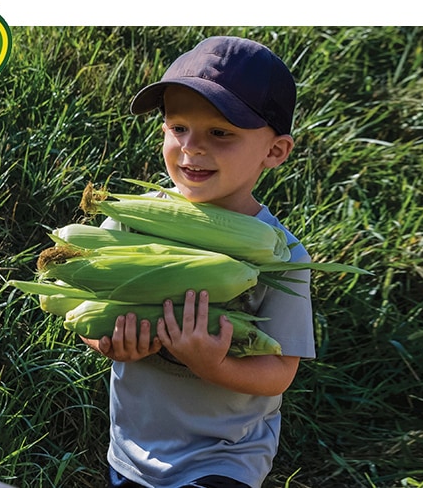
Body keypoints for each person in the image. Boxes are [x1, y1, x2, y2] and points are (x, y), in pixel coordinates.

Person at [79, 36, 314, 488]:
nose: (191, 148)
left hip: (225, 458)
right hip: (133, 450)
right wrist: (108, 344)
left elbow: (280, 372)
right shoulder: (134, 221)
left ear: (274, 151)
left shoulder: (281, 255)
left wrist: (214, 367)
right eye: (177, 127)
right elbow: (89, 308)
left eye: (220, 133)